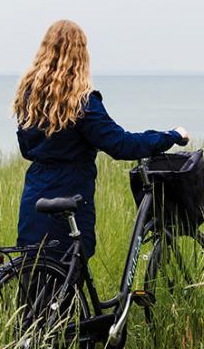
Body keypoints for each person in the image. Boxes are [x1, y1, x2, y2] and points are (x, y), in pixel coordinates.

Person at [13, 19, 189, 259]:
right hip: (71, 191)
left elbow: (27, 149)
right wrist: (171, 136)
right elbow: (121, 145)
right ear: (80, 56)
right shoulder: (81, 102)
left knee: (35, 266)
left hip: (36, 194)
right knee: (71, 263)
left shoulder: (29, 99)